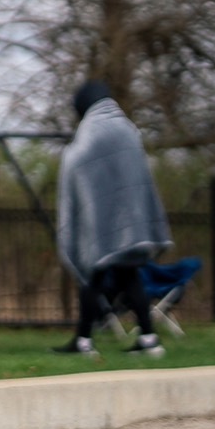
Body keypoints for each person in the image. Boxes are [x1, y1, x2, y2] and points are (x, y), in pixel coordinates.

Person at [54, 80, 173, 358]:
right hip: (132, 224)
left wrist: (68, 159)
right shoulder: (127, 128)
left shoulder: (93, 130)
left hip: (103, 227)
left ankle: (84, 341)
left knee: (92, 277)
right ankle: (149, 339)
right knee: (130, 277)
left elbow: (77, 161)